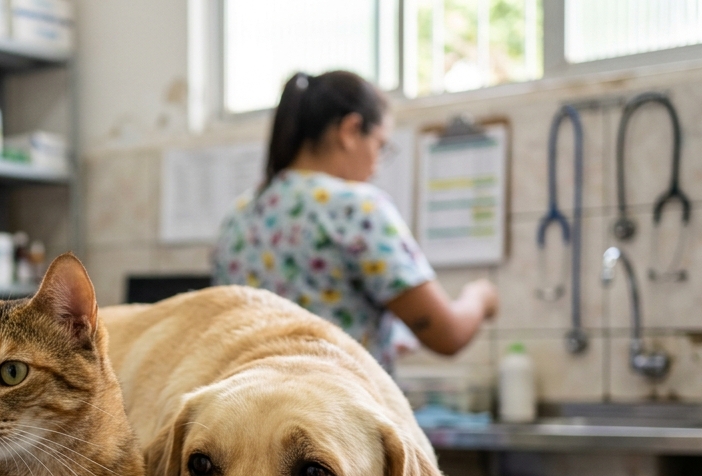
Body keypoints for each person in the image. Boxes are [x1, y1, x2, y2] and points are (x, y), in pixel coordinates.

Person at [211, 70, 498, 371]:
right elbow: (447, 335)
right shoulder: (356, 208)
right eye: (380, 145)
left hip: (258, 410)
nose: (376, 165)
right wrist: (480, 297)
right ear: (350, 130)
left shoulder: (238, 215)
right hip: (339, 413)